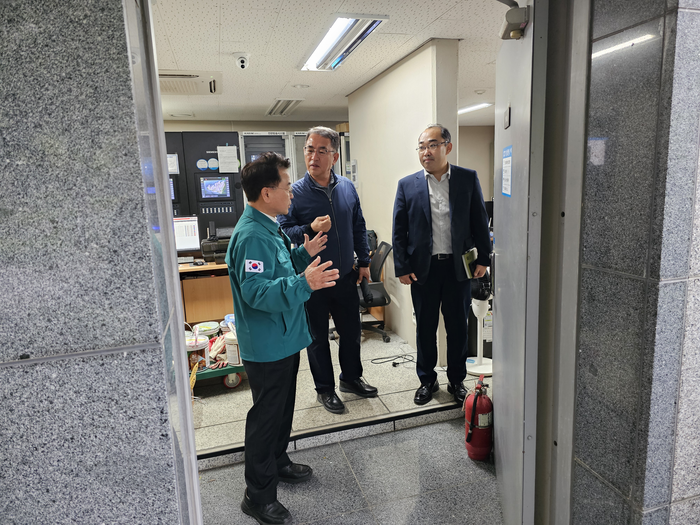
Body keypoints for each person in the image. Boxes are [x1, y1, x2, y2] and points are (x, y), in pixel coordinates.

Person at [225, 152, 339, 525]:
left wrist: (302, 254)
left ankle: (277, 460)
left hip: (284, 338)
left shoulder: (268, 225)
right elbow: (257, 292)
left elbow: (279, 267)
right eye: (287, 187)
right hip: (267, 344)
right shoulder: (251, 235)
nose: (291, 193)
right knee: (265, 418)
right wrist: (304, 282)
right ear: (266, 192)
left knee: (281, 411)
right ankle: (257, 496)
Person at [278, 126, 378, 414]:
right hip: (313, 279)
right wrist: (310, 228)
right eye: (310, 149)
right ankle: (325, 389)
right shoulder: (295, 192)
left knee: (351, 332)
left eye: (322, 151)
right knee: (317, 337)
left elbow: (358, 225)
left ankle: (351, 378)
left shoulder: (346, 187)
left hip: (345, 275)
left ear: (334, 157)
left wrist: (364, 262)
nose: (314, 156)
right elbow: (284, 232)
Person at [392, 124, 491, 406]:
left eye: (432, 145)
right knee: (425, 328)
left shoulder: (467, 179)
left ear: (447, 147)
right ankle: (427, 380)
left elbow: (479, 220)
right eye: (422, 147)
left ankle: (457, 381)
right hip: (423, 270)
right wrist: (402, 267)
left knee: (458, 327)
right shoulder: (407, 185)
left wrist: (483, 259)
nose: (426, 152)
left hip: (458, 268)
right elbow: (399, 230)